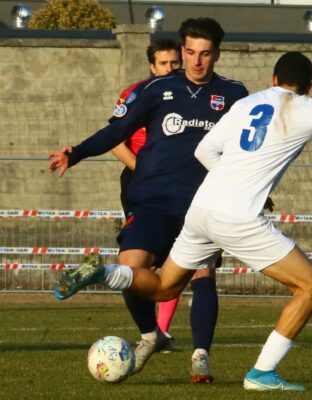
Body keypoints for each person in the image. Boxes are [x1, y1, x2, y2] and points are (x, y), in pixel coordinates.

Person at [51, 51, 312, 391]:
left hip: (201, 209)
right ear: (309, 85)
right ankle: (262, 373)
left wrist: (229, 177)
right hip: (238, 217)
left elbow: (204, 149)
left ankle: (103, 272)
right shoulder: (304, 106)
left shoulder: (246, 104)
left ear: (272, 79)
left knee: (165, 288)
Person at [48, 18, 249, 382]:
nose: (196, 61)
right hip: (153, 201)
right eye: (189, 53)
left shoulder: (234, 95)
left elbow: (248, 149)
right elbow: (117, 130)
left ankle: (201, 356)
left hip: (202, 205)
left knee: (203, 274)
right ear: (183, 51)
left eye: (204, 54)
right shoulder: (156, 89)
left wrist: (254, 190)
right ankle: (151, 334)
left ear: (217, 53)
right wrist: (75, 153)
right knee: (130, 264)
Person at [110, 39, 186, 349]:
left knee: (180, 264)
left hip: (182, 183)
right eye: (164, 64)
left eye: (174, 63)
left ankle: (161, 332)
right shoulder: (135, 94)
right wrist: (144, 170)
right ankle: (152, 330)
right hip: (141, 183)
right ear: (152, 67)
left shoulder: (194, 94)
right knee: (142, 261)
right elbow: (116, 140)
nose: (170, 68)